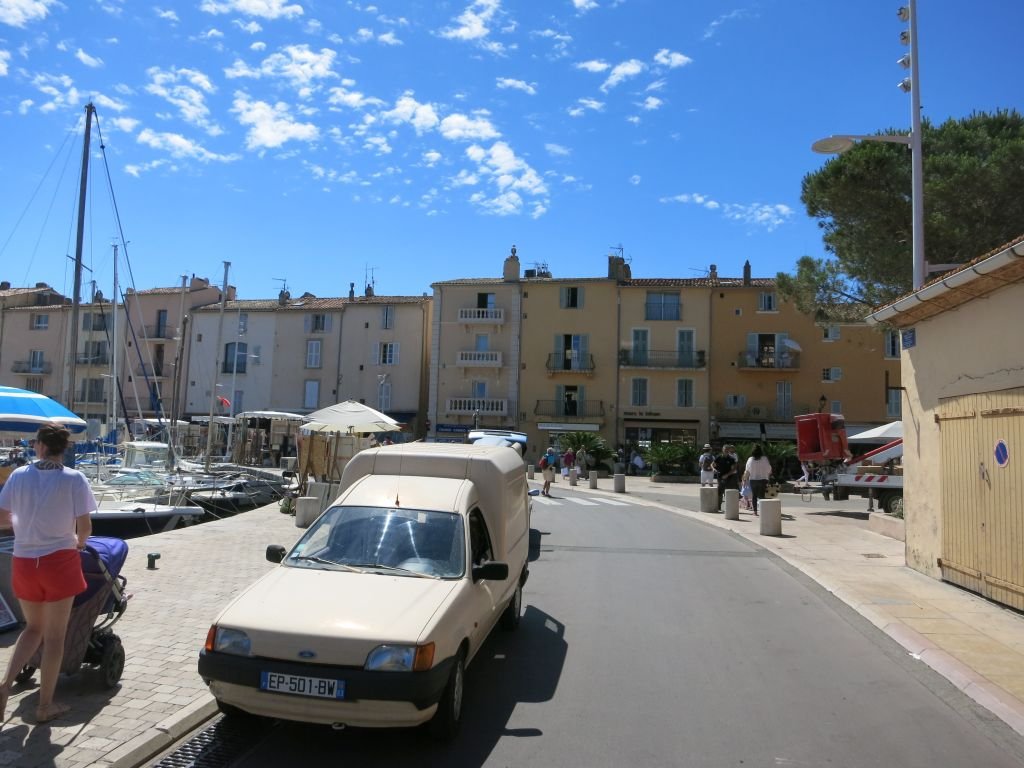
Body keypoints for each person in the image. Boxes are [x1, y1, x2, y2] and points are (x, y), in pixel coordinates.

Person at [0, 423, 96, 724]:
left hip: (24, 561)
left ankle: (4, 686)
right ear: (63, 448)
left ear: (40, 445)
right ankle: (45, 706)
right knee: (55, 638)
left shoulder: (18, 475)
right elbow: (85, 527)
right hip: (59, 562)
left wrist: (26, 526)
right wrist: (79, 543)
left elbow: (3, 517)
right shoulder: (74, 479)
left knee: (32, 629)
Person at [745, 445, 773, 515]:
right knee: (763, 496)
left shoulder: (750, 459)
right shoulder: (764, 459)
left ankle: (755, 512)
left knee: (754, 496)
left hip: (753, 480)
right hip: (763, 479)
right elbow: (769, 469)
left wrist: (745, 480)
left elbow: (747, 471)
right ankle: (764, 512)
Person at [713, 444, 739, 511]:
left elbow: (734, 469)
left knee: (728, 492)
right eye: (725, 449)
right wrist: (714, 469)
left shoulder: (731, 459)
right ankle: (718, 507)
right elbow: (712, 464)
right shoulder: (719, 457)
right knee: (720, 492)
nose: (726, 451)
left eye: (727, 449)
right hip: (720, 477)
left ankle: (729, 508)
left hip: (729, 478)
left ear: (729, 450)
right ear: (722, 450)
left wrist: (727, 475)